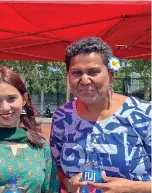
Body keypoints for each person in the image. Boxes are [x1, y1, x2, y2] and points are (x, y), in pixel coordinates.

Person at [50, 37, 151, 193]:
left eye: (94, 72)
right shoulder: (62, 116)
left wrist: (132, 188)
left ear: (111, 75)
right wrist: (67, 182)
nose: (84, 80)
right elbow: (55, 168)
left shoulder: (143, 114)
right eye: (76, 73)